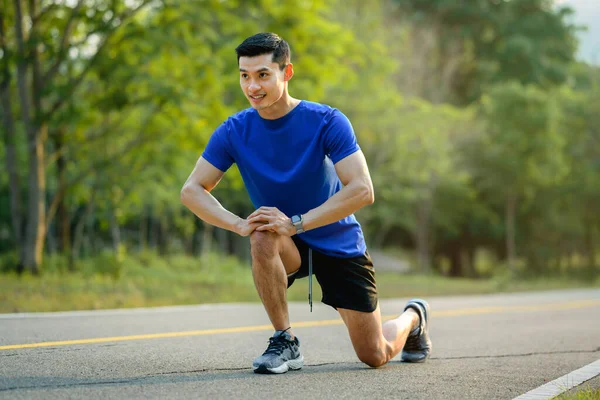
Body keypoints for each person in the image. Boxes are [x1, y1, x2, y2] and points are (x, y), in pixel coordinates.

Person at [180, 32, 432, 374]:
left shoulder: (327, 121)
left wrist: (296, 222)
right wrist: (238, 223)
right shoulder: (233, 131)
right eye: (245, 76)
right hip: (285, 241)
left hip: (336, 241)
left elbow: (361, 189)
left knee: (374, 354)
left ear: (287, 73)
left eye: (263, 75)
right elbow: (192, 190)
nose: (252, 86)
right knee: (260, 233)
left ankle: (413, 317)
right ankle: (285, 340)